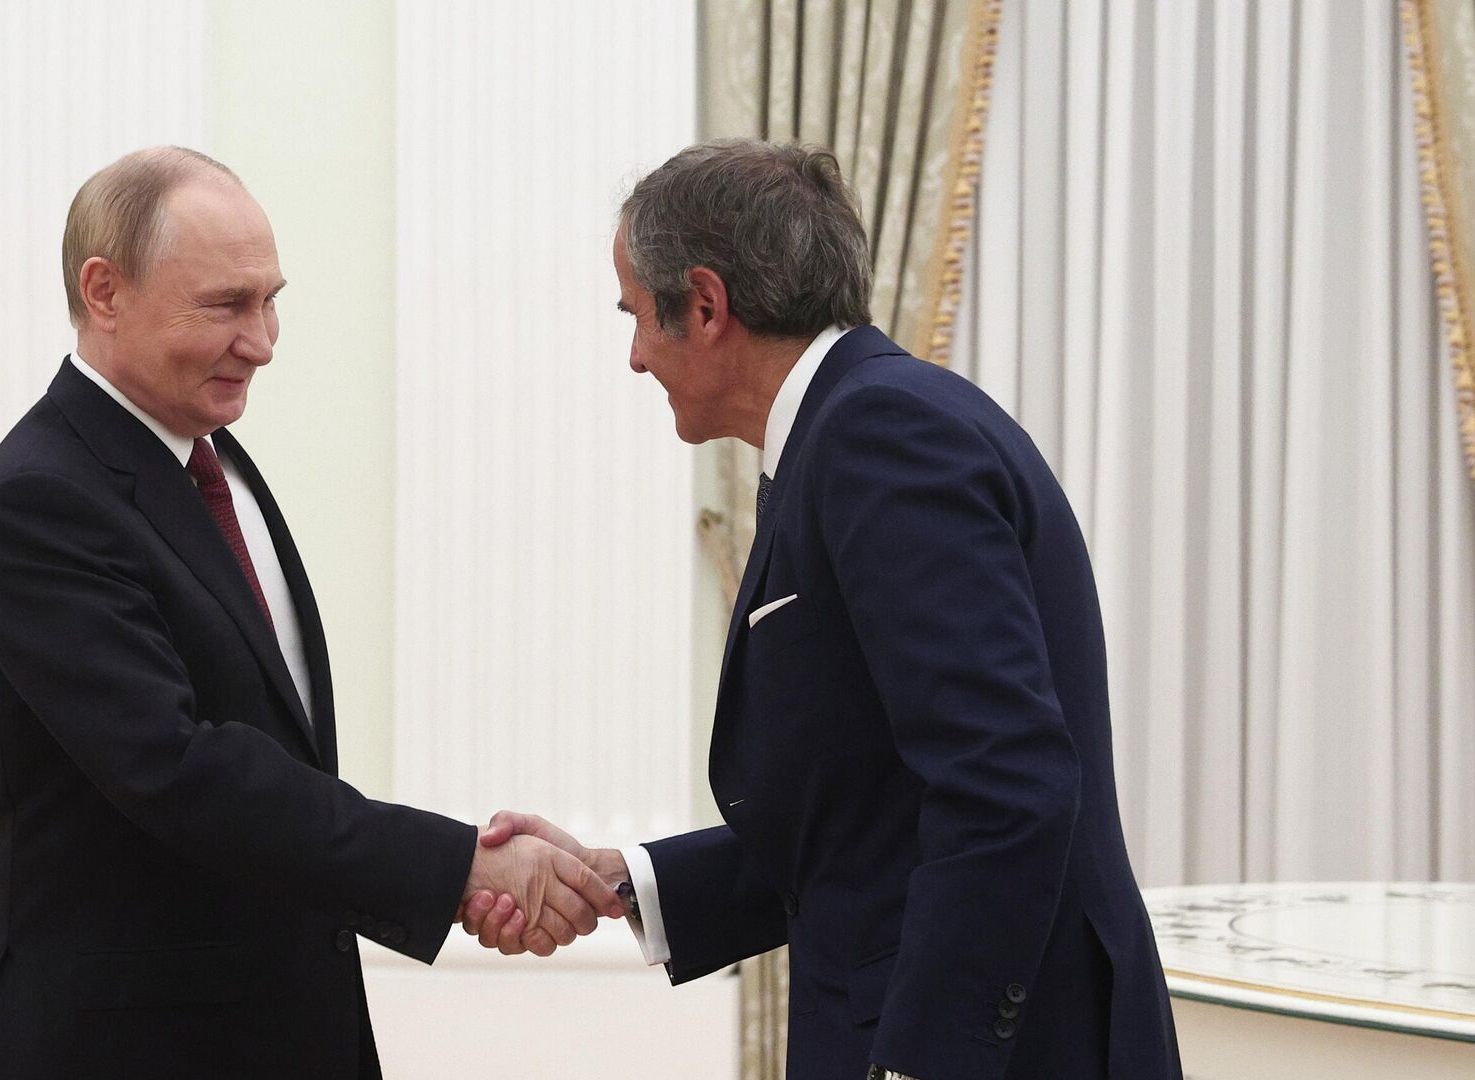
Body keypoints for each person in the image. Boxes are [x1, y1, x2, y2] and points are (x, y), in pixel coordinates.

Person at [464, 139, 1184, 1080]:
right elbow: (870, 816)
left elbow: (1007, 783)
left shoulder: (879, 434)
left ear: (706, 305)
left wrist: (921, 1067)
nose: (635, 357)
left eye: (635, 315)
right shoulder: (854, 426)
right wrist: (625, 881)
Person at [0, 146, 623, 1080]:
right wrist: (456, 866)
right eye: (226, 305)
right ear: (104, 291)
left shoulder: (209, 454)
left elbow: (269, 750)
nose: (263, 340)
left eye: (270, 301)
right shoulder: (40, 499)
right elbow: (179, 769)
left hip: (274, 1020)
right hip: (125, 1041)